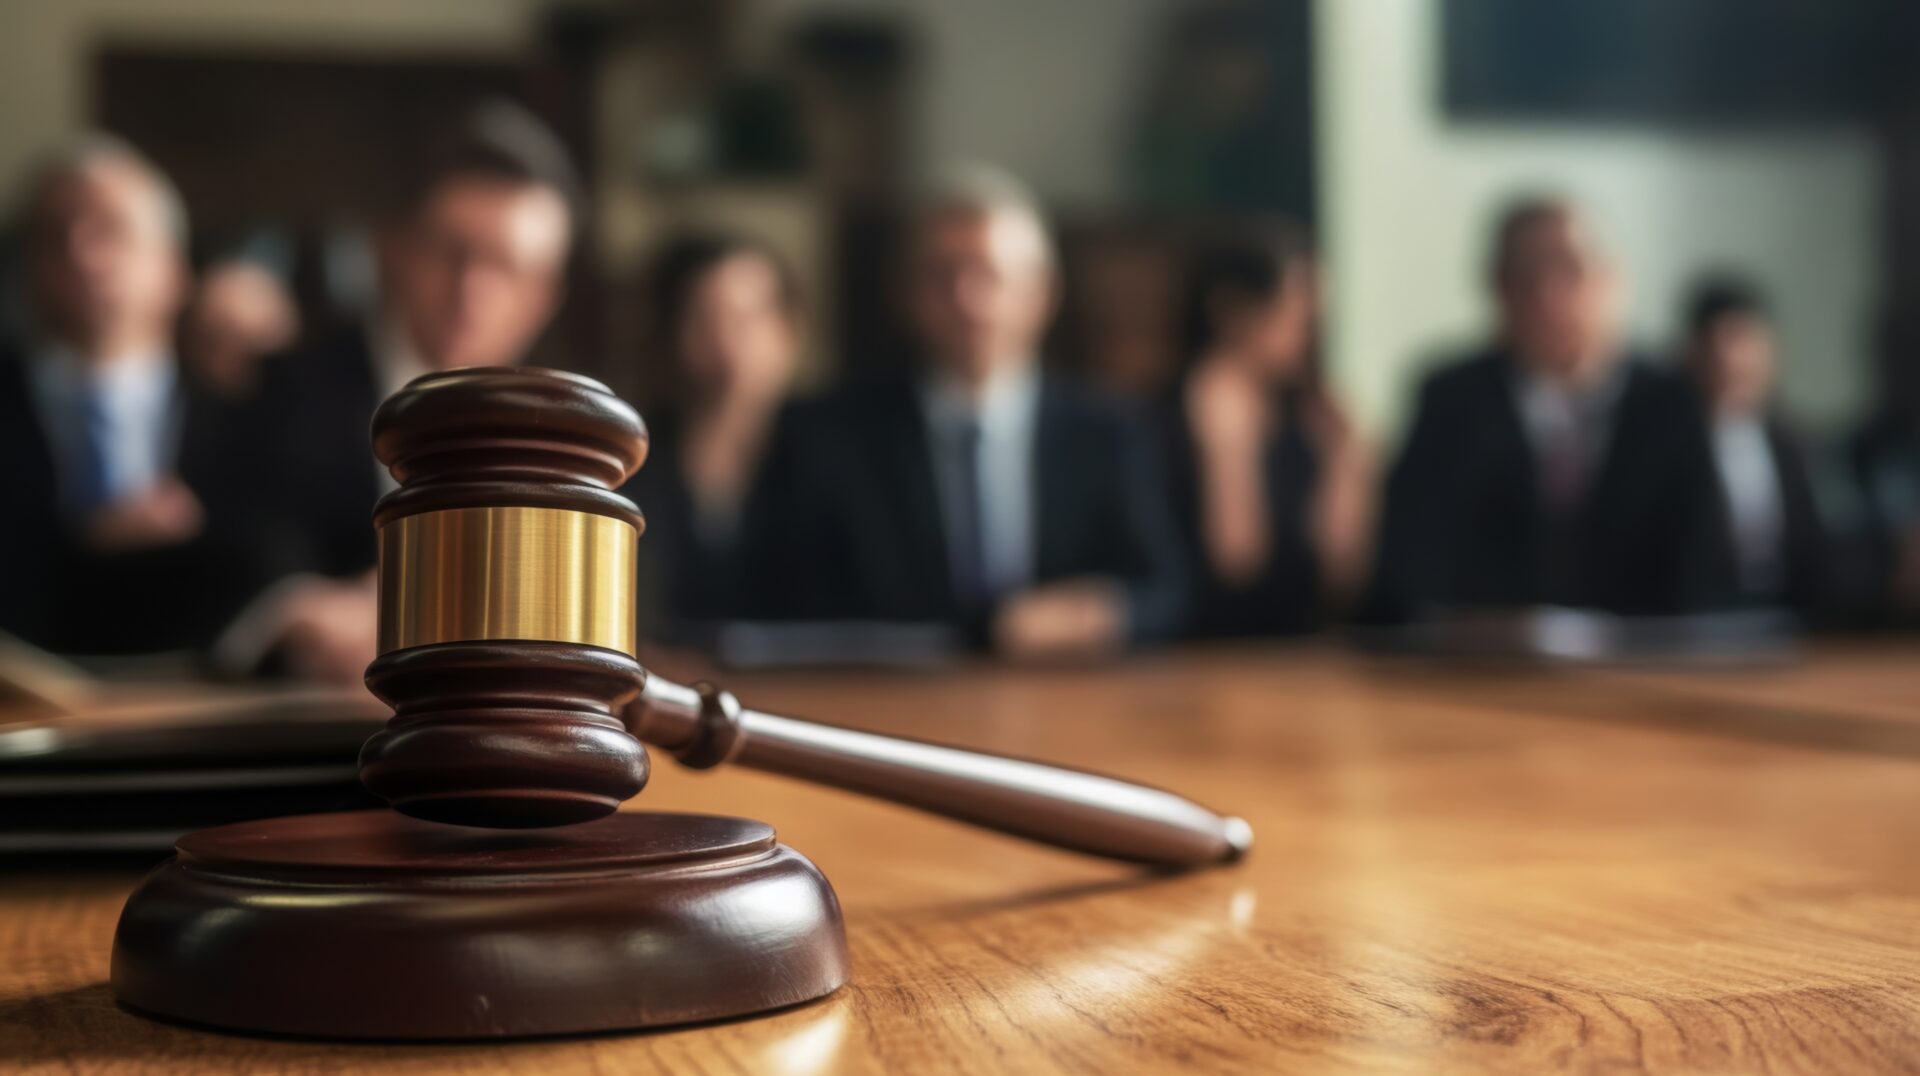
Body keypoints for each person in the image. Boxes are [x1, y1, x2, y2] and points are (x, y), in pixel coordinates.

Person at [749, 165, 1187, 659]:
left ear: (1040, 295)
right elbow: (789, 605)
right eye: (941, 276)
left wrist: (1100, 614)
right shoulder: (828, 435)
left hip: (1068, 707)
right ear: (906, 295)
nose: (967, 301)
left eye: (990, 275)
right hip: (884, 711)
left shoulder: (1110, 432)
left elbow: (1165, 593)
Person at [212, 100, 581, 681]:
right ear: (394, 246)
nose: (472, 290)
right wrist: (293, 608)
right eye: (452, 251)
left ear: (544, 296)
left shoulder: (572, 434)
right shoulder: (278, 388)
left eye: (506, 266)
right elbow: (239, 550)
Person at [1368, 197, 1733, 620]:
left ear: (1614, 280)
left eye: (1570, 270)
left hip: (1645, 662)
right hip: (1486, 666)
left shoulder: (1670, 402)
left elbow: (1703, 565)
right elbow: (1411, 563)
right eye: (1524, 277)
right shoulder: (1450, 400)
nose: (1547, 295)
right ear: (1495, 288)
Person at [0, 135, 259, 652]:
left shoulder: (248, 408)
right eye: (55, 235)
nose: (81, 253)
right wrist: (88, 546)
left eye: (111, 231)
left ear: (173, 269)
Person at [1163, 222, 1372, 637]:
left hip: (1303, 649)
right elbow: (1236, 565)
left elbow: (1342, 579)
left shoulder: (1311, 419)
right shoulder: (1159, 421)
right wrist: (1227, 454)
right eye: (1294, 316)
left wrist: (1346, 462)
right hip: (1195, 654)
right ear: (1230, 310)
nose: (1310, 336)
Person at [624, 231, 801, 632]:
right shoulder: (629, 462)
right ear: (668, 334)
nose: (728, 344)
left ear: (789, 332)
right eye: (705, 318)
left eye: (749, 318)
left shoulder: (834, 462)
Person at [1679, 276, 1833, 614]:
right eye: (1716, 344)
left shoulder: (1796, 443)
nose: (1731, 360)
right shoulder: (1670, 447)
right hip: (1697, 625)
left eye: (1743, 340)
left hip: (1790, 622)